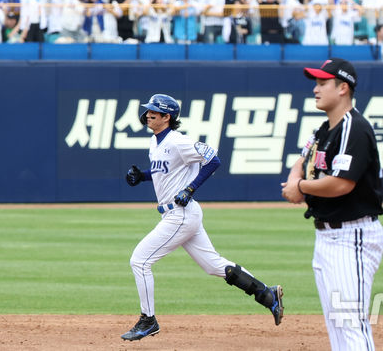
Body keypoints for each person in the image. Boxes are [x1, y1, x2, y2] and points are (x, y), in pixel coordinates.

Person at [121, 94, 284, 341]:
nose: (148, 114)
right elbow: (164, 173)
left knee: (140, 261)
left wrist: (190, 189)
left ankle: (148, 320)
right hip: (181, 215)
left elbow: (213, 159)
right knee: (213, 265)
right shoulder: (156, 143)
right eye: (148, 111)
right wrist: (141, 176)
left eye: (155, 111)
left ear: (167, 117)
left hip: (180, 214)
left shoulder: (177, 141)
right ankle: (267, 294)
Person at [281, 58, 383, 351]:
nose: (315, 89)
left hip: (351, 236)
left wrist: (299, 187)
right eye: (316, 82)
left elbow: (342, 184)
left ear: (343, 88)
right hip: (327, 236)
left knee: (351, 324)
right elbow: (304, 158)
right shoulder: (325, 129)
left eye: (322, 83)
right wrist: (295, 177)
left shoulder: (354, 128)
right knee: (338, 327)